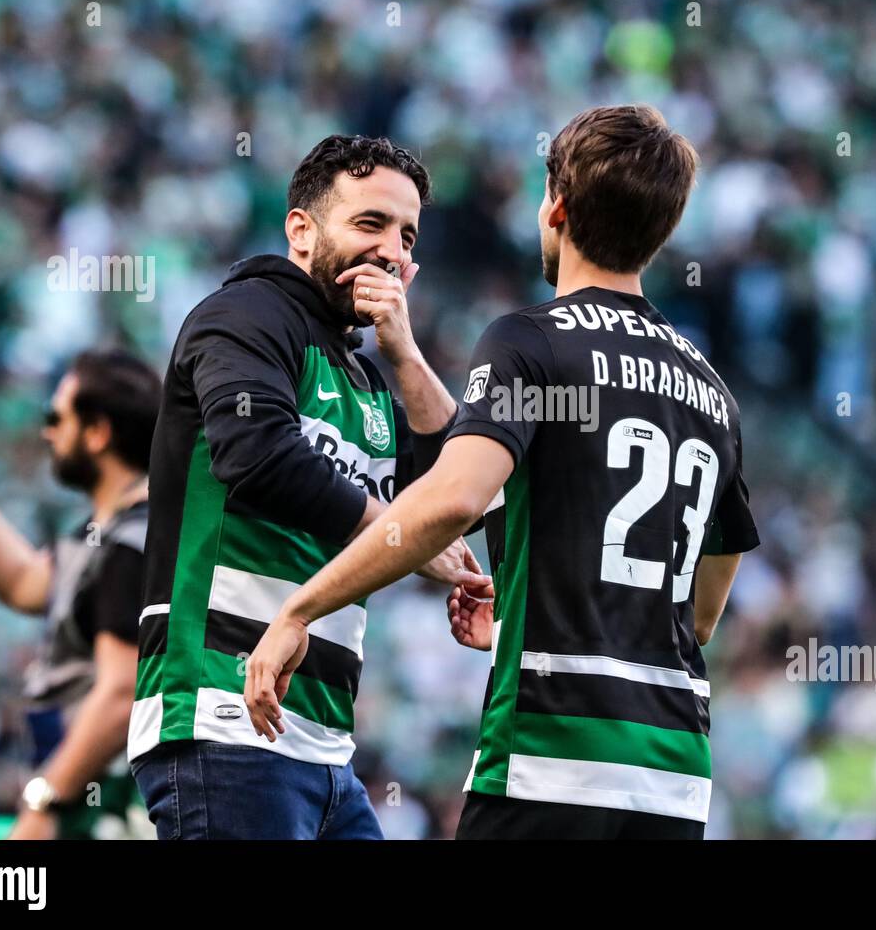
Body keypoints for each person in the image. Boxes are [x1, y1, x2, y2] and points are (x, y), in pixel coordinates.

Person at [245, 105, 760, 839]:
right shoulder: (715, 393)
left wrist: (300, 609)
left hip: (549, 759)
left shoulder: (531, 343)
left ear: (556, 206)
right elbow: (697, 617)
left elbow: (453, 500)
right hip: (673, 780)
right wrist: (526, 621)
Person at [128, 134, 488, 840]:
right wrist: (399, 532)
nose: (391, 251)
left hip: (324, 745)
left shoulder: (370, 381)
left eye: (407, 236)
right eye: (370, 224)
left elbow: (460, 495)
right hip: (220, 717)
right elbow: (258, 456)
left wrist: (406, 355)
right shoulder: (245, 315)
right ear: (302, 229)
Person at [0, 349, 161, 839]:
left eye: (57, 417)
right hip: (93, 794)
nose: (47, 431)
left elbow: (120, 692)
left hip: (111, 805)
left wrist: (44, 801)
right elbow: (26, 584)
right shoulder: (105, 536)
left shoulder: (131, 544)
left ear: (98, 432)